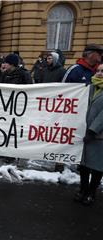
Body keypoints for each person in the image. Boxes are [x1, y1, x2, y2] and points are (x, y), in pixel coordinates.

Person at [74, 63, 103, 206]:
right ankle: (83, 190)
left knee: (97, 166)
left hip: (98, 135)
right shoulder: (89, 88)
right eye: (98, 71)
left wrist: (93, 130)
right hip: (84, 132)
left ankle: (91, 192)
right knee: (84, 165)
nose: (99, 73)